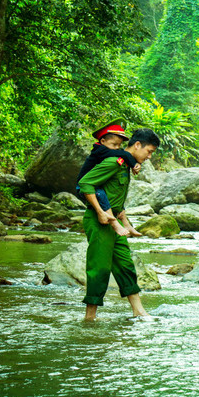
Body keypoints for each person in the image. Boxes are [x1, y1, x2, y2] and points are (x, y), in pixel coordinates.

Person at [77, 128, 160, 321]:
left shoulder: (125, 164)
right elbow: (85, 183)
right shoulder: (114, 162)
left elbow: (115, 198)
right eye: (149, 151)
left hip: (114, 222)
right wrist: (101, 213)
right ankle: (90, 317)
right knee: (100, 268)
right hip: (100, 222)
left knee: (125, 264)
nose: (149, 157)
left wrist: (124, 221)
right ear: (137, 145)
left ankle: (139, 311)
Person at [76, 121, 142, 237]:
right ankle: (114, 222)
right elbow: (124, 154)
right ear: (103, 141)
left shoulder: (110, 151)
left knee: (113, 194)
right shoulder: (99, 150)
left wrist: (134, 163)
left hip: (97, 184)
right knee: (101, 194)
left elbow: (122, 153)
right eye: (114, 145)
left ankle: (124, 221)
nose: (117, 149)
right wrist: (133, 164)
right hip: (84, 187)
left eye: (119, 145)